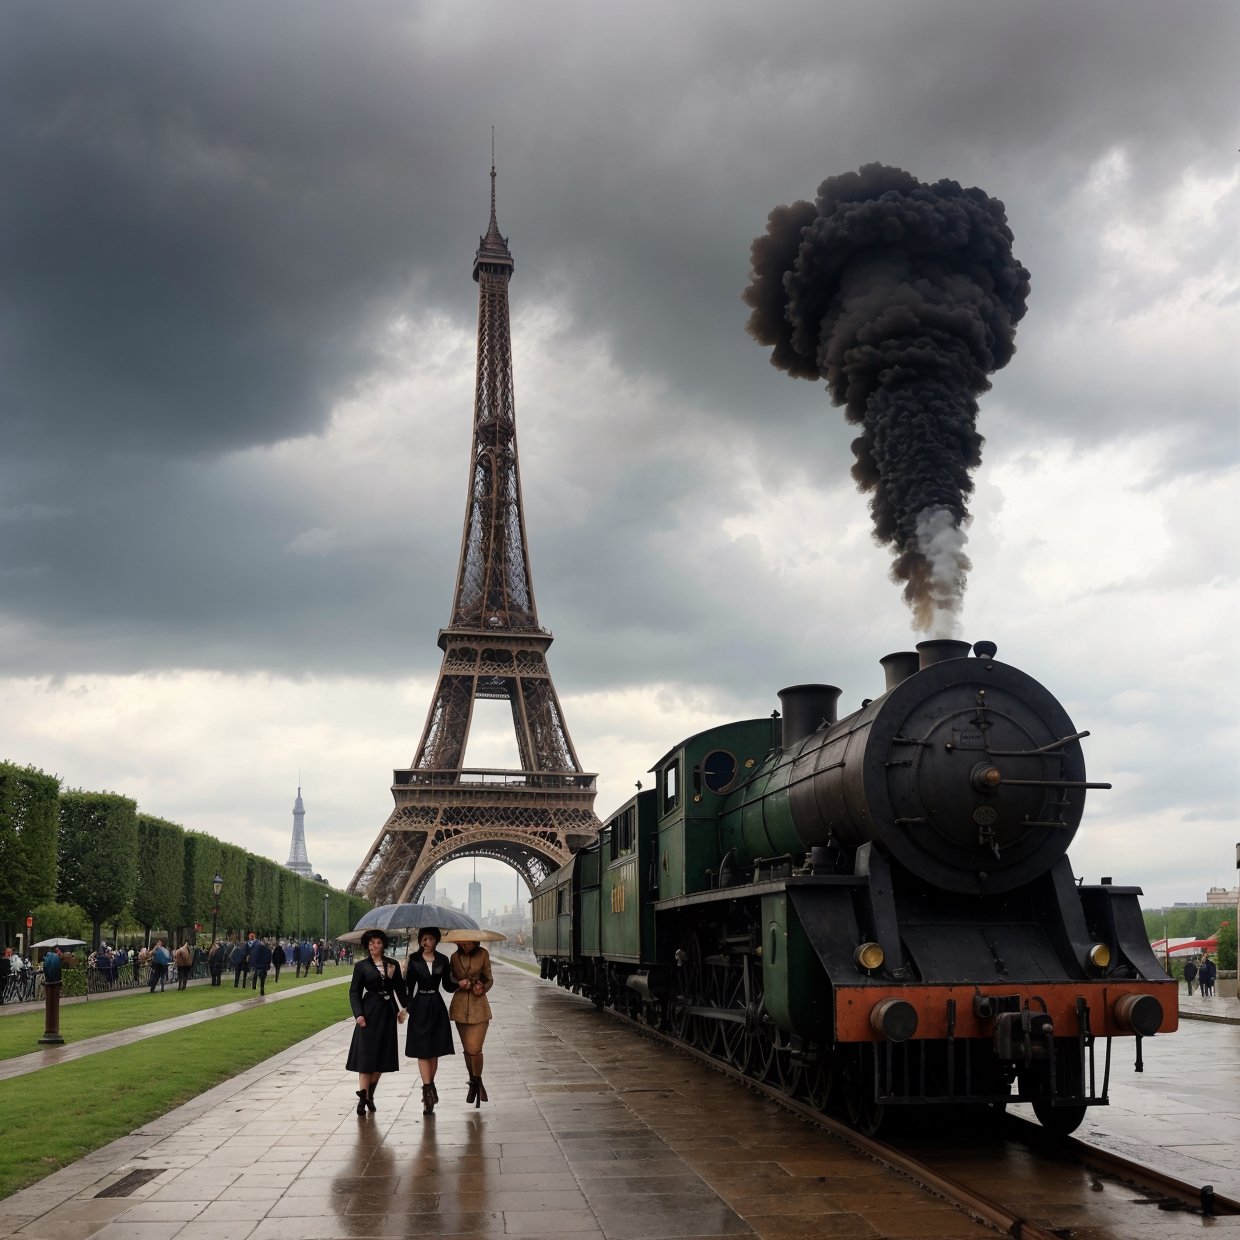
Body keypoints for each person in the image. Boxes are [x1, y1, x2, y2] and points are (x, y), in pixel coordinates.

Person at [346, 929, 408, 1115]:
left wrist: (405, 1008)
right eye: (371, 943)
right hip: (369, 1012)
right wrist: (358, 1014)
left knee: (381, 1058)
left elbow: (400, 990)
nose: (374, 946)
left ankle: (369, 1096)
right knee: (366, 1057)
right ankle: (362, 1099)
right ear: (367, 945)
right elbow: (354, 992)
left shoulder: (393, 964)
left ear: (383, 945)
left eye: (378, 943)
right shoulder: (361, 966)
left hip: (387, 1013)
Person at [403, 928, 456, 1114]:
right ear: (420, 941)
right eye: (424, 939)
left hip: (436, 1006)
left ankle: (429, 1087)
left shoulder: (443, 960)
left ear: (436, 941)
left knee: (434, 1053)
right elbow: (408, 988)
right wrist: (405, 1008)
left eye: (430, 939)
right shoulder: (413, 959)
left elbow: (448, 986)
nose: (426, 942)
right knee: (423, 1051)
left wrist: (460, 982)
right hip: (419, 1007)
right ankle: (428, 1091)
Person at [448, 937, 494, 1106]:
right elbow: (451, 979)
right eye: (462, 943)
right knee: (467, 1050)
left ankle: (477, 1080)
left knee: (475, 1049)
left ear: (475, 942)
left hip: (479, 1006)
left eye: (468, 943)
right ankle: (473, 1082)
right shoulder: (453, 957)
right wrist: (459, 982)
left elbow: (489, 978)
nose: (465, 946)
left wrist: (482, 987)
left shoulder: (483, 954)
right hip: (460, 1006)